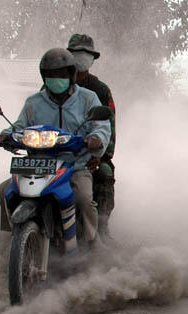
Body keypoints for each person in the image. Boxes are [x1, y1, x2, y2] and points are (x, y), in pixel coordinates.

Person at [0, 48, 110, 248]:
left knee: (83, 198)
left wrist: (95, 140)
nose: (56, 79)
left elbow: (102, 128)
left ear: (71, 75)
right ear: (43, 77)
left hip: (74, 165)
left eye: (61, 75)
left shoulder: (88, 98)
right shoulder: (33, 102)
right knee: (3, 190)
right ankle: (12, 240)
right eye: (51, 75)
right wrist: (6, 135)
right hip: (37, 164)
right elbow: (19, 125)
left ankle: (92, 243)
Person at [67, 33, 116, 237]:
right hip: (55, 151)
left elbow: (109, 128)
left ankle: (101, 230)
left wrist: (99, 155)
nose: (81, 58)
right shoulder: (54, 85)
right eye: (76, 53)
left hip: (90, 153)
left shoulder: (100, 90)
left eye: (86, 54)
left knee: (104, 173)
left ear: (92, 59)